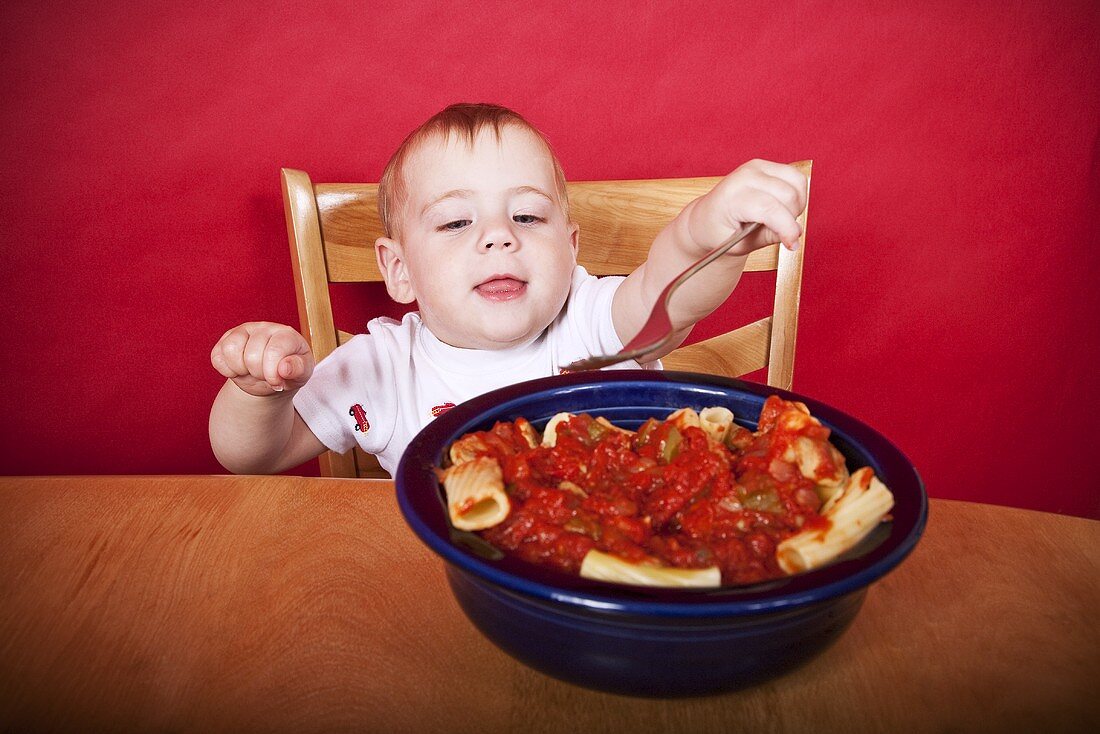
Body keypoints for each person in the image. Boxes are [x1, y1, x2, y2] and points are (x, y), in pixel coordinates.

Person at [209, 103, 807, 475]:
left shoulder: (591, 322)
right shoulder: (383, 367)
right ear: (399, 270)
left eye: (526, 217)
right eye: (454, 222)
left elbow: (667, 296)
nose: (498, 237)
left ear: (570, 249)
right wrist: (258, 394)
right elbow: (255, 456)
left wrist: (702, 231)